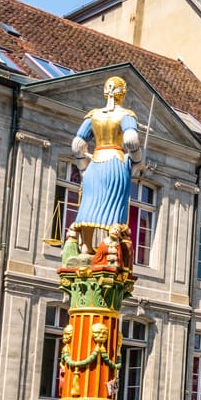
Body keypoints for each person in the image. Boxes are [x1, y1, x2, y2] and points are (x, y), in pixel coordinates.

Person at [68, 75, 142, 261]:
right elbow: (131, 140)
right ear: (122, 94)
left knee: (89, 202)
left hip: (95, 163)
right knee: (115, 203)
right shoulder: (126, 115)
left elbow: (77, 144)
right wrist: (137, 160)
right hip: (115, 163)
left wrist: (83, 168)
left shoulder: (93, 115)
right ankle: (112, 243)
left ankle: (86, 246)